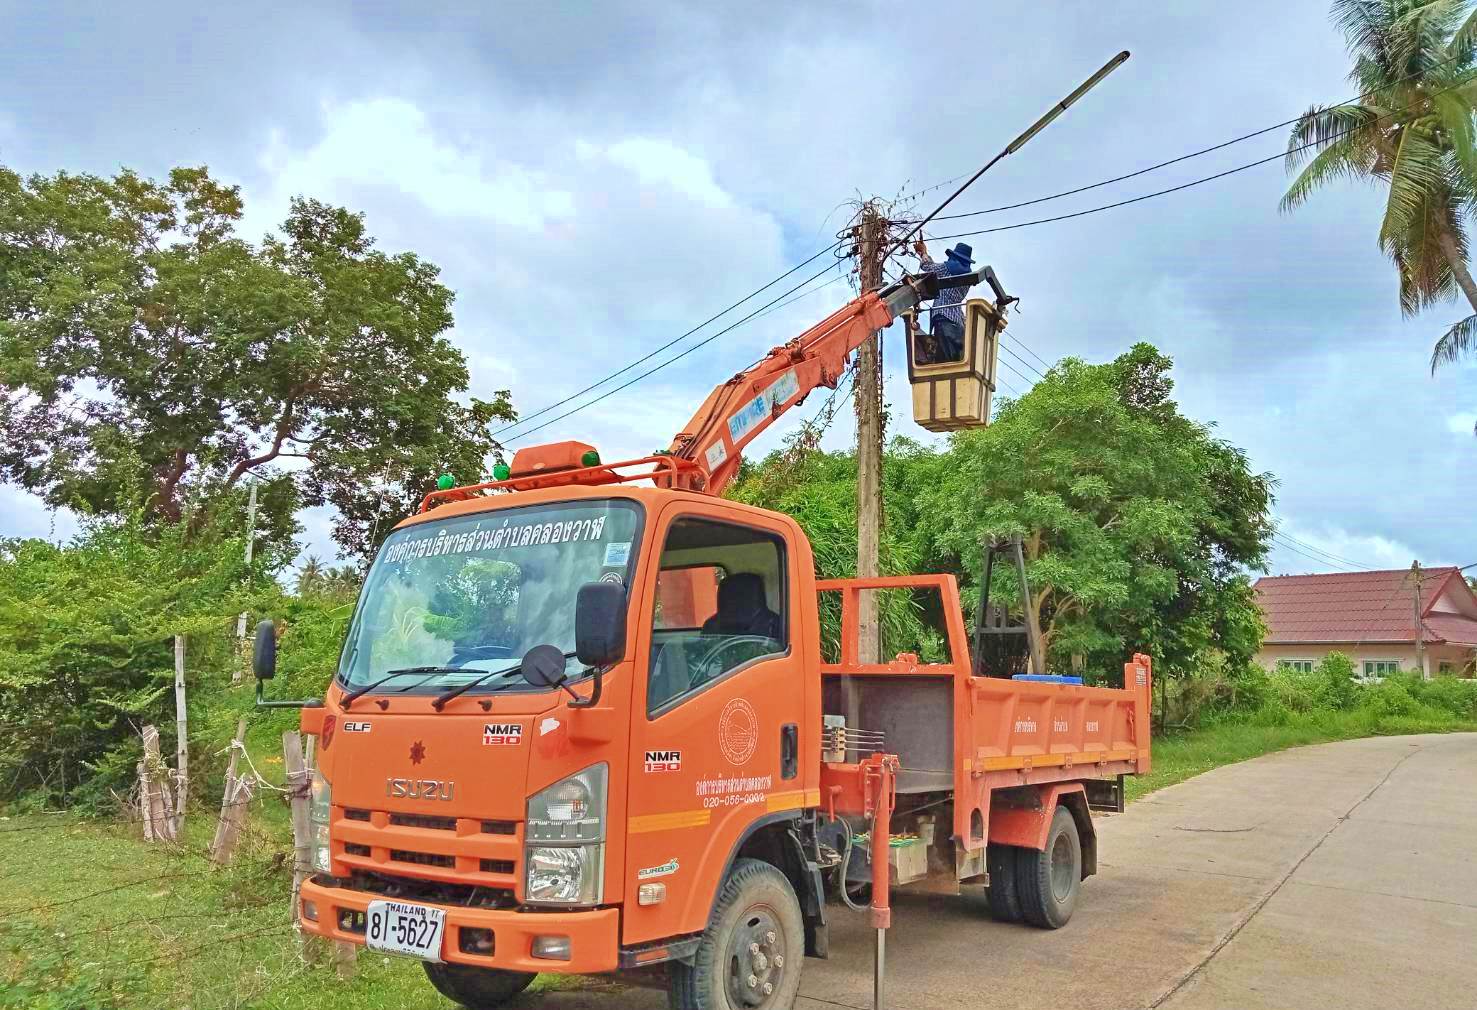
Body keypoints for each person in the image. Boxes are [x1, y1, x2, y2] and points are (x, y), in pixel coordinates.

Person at [913, 238, 976, 363]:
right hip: (957, 323)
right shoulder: (967, 276)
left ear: (955, 257)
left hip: (944, 319)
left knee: (943, 361)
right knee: (952, 360)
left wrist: (923, 252)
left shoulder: (949, 268)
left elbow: (928, 267)